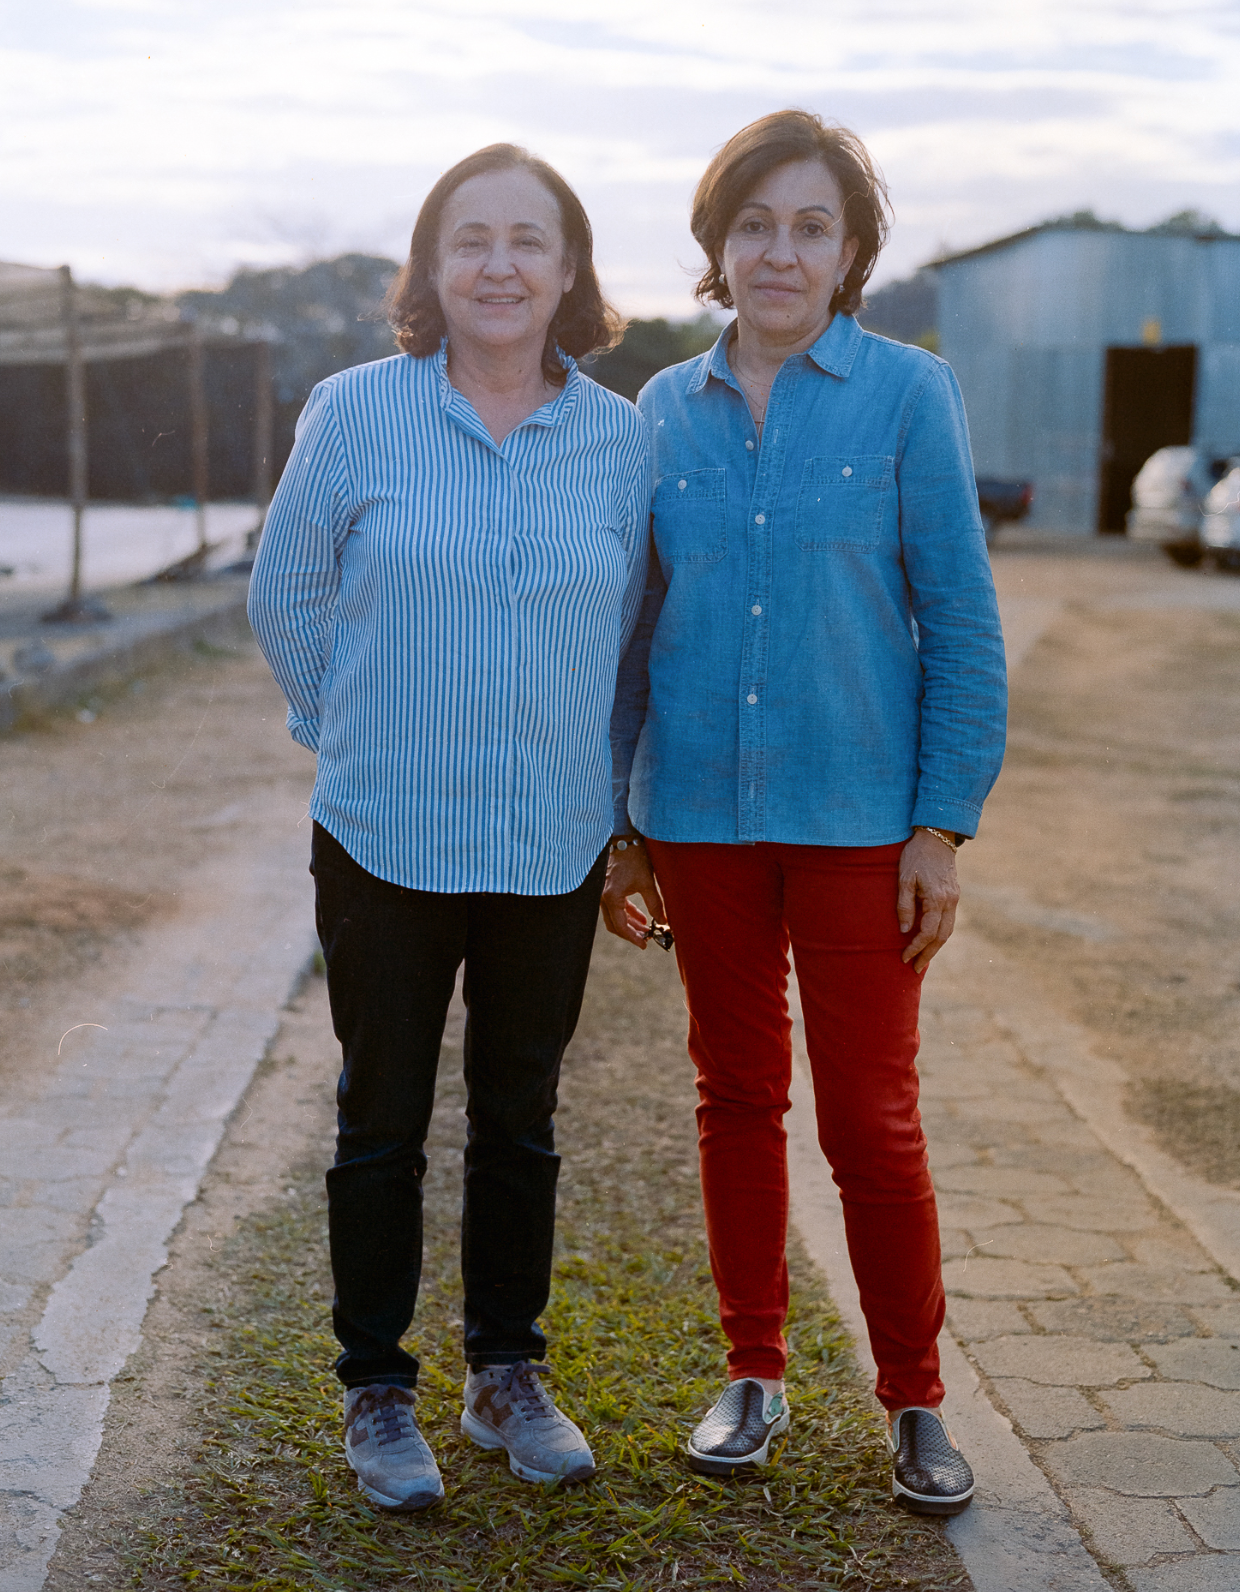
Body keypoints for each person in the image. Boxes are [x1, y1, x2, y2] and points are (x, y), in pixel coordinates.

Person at [603, 110, 1006, 1516]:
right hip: (700, 817)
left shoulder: (909, 394)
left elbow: (958, 616)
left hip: (855, 818)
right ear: (717, 245)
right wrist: (622, 825)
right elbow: (629, 634)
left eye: (811, 225)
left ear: (851, 252)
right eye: (755, 223)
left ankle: (915, 1400)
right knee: (735, 1097)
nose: (781, 250)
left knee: (875, 1123)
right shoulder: (657, 412)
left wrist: (940, 826)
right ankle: (754, 1372)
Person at [249, 144, 649, 1510]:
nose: (498, 265)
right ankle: (377, 1391)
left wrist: (618, 802)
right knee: (382, 1119)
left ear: (570, 270)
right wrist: (352, 733)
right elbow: (286, 594)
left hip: (550, 834)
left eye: (528, 241)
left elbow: (634, 634)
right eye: (469, 239)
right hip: (384, 833)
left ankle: (506, 1377)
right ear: (430, 267)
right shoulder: (356, 411)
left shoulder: (619, 439)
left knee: (521, 1120)